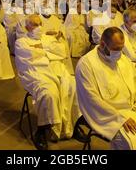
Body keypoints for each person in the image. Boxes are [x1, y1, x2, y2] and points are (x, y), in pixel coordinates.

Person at [76, 27, 136, 150]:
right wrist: (119, 119)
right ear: (102, 44)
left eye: (121, 48)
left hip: (132, 110)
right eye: (116, 49)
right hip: (107, 116)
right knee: (134, 143)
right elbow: (91, 99)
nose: (119, 53)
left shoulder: (123, 59)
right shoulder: (86, 64)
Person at [14, 14, 84, 150]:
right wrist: (47, 51)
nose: (39, 27)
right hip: (34, 72)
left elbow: (61, 51)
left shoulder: (47, 38)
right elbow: (29, 57)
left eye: (40, 24)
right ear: (27, 27)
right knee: (48, 93)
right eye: (34, 25)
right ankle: (42, 129)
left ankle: (73, 125)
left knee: (73, 86)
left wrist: (41, 49)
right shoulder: (21, 42)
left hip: (56, 69)